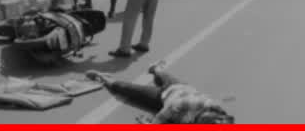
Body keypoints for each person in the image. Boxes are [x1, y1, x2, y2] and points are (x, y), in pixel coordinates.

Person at [86, 61, 234, 123]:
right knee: (127, 89)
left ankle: (157, 69)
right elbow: (162, 117)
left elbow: (225, 115)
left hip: (184, 88)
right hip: (166, 95)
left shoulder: (219, 113)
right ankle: (104, 78)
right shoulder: (183, 105)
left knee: (165, 76)